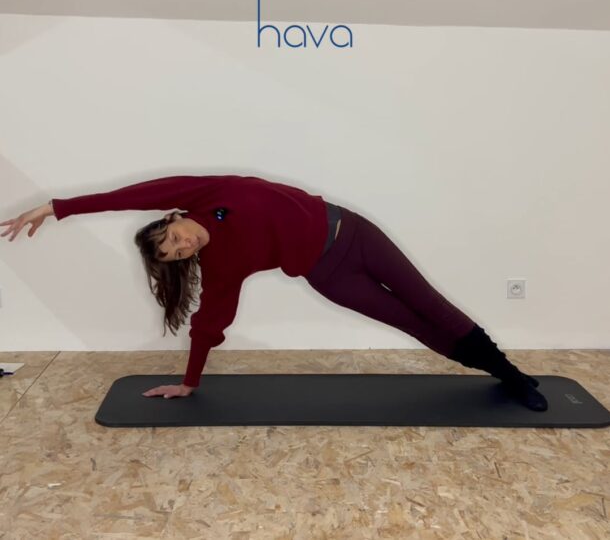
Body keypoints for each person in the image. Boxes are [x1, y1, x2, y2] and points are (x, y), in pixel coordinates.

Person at [0, 173, 548, 411]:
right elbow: (211, 321)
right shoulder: (220, 264)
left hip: (354, 233)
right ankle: (496, 373)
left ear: (171, 217)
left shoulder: (205, 194)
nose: (184, 246)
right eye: (176, 256)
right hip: (329, 274)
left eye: (174, 238)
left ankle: (513, 375)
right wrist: (190, 382)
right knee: (410, 322)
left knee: (430, 305)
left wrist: (56, 207)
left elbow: (131, 194)